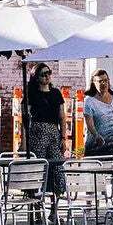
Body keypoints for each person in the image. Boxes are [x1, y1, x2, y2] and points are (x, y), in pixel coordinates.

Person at [24, 62, 66, 193]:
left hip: (54, 133)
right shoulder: (31, 94)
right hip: (37, 133)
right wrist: (24, 141)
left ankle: (56, 199)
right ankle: (36, 198)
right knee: (38, 166)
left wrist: (63, 137)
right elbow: (24, 118)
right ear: (36, 78)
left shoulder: (56, 93)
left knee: (57, 166)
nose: (47, 77)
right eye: (43, 74)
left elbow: (62, 117)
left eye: (49, 73)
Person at [79, 70, 113, 156]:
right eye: (100, 81)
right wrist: (96, 135)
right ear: (94, 83)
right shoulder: (89, 101)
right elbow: (90, 125)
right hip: (96, 146)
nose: (104, 83)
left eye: (105, 80)